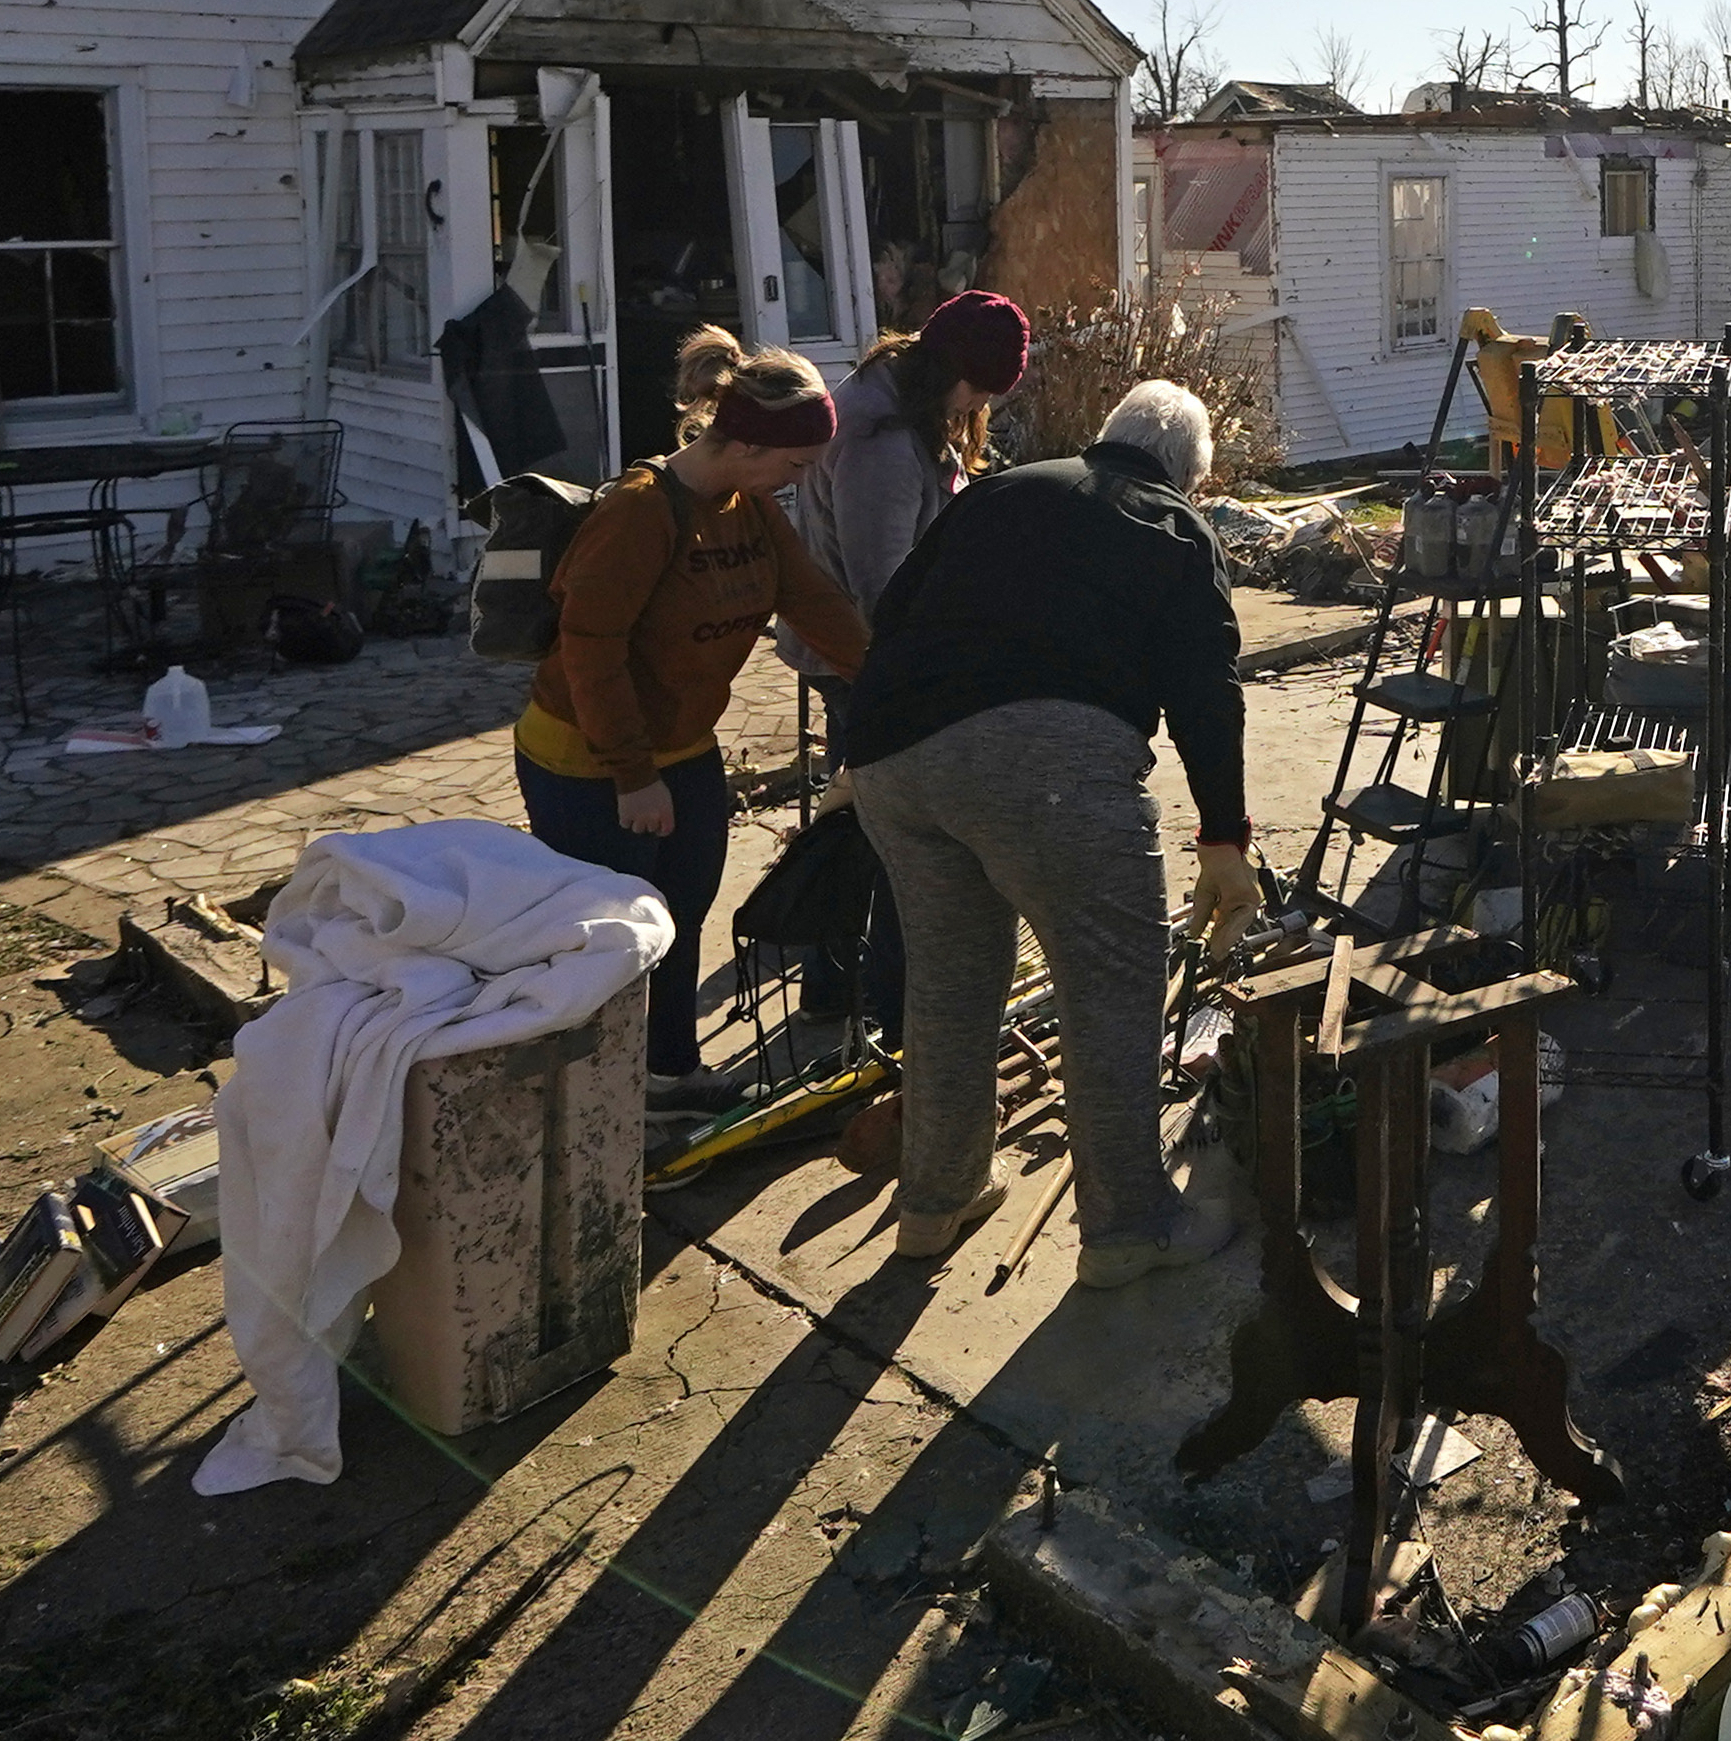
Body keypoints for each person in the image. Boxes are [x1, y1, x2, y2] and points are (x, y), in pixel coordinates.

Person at [842, 377, 1256, 1277]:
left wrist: (866, 747)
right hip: (1048, 766)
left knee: (951, 983)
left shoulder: (998, 490)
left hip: (893, 762)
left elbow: (893, 614)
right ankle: (1128, 1229)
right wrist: (1226, 837)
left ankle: (936, 1202)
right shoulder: (1174, 525)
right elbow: (1205, 695)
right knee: (1110, 983)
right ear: (1188, 471)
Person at [524, 330, 866, 1103]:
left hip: (685, 748)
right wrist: (633, 776)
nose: (797, 481)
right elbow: (591, 649)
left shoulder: (749, 507)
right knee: (610, 937)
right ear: (745, 442)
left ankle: (670, 1071)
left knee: (680, 918)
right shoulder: (640, 512)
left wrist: (890, 680)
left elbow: (811, 599)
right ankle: (595, 1101)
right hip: (587, 762)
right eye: (795, 465)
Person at [780, 290, 1029, 627]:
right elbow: (882, 590)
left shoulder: (901, 387)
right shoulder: (880, 444)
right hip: (857, 651)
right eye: (977, 389)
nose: (980, 404)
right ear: (947, 369)